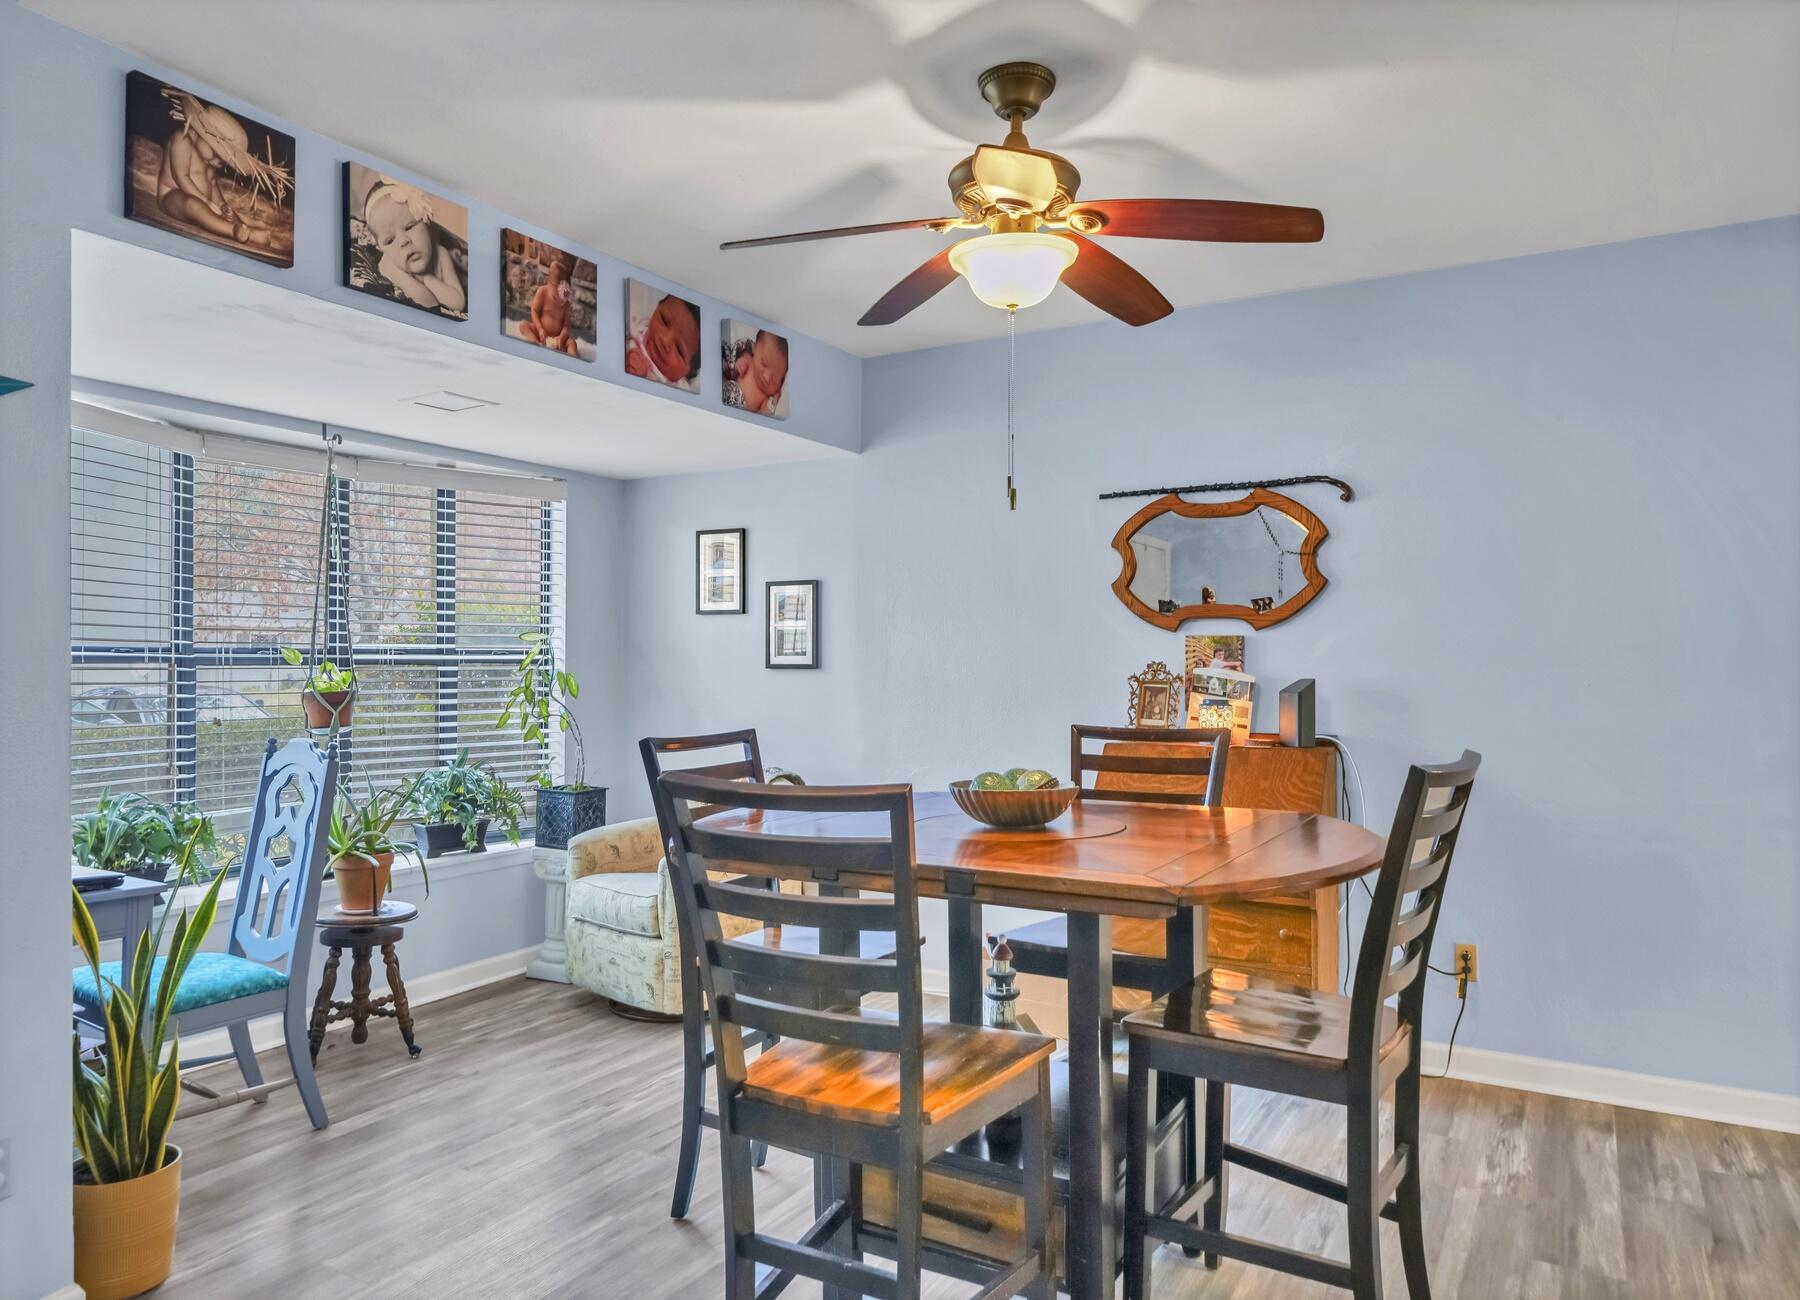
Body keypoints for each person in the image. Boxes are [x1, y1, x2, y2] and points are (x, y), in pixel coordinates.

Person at [155, 92, 279, 250]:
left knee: (223, 212)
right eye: (216, 154)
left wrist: (221, 204)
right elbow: (181, 177)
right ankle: (234, 231)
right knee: (193, 205)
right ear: (202, 134)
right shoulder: (182, 138)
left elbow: (212, 183)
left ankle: (243, 226)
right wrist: (206, 202)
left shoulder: (209, 159)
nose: (218, 162)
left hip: (205, 205)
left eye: (223, 161)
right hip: (172, 197)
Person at [363, 179, 466, 315]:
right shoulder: (388, 265)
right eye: (389, 241)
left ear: (426, 222)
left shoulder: (441, 254)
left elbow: (458, 303)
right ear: (380, 247)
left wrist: (425, 278)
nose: (403, 241)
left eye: (409, 227)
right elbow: (427, 302)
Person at [626, 289, 701, 387]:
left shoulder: (680, 389)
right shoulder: (633, 330)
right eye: (664, 320)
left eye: (679, 349)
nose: (665, 341)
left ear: (688, 373)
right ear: (657, 307)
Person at [723, 329, 789, 416]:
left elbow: (764, 415)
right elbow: (731, 374)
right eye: (764, 364)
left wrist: (773, 402)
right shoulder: (748, 361)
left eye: (775, 378)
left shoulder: (767, 398)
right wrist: (737, 366)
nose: (766, 377)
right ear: (755, 349)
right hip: (725, 399)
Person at [522, 258, 579, 355]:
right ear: (550, 283)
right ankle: (534, 344)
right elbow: (534, 310)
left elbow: (566, 325)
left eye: (562, 296)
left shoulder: (567, 302)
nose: (559, 301)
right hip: (541, 333)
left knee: (572, 343)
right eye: (555, 296)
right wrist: (540, 328)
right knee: (523, 325)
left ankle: (572, 361)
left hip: (557, 338)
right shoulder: (543, 291)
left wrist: (561, 337)